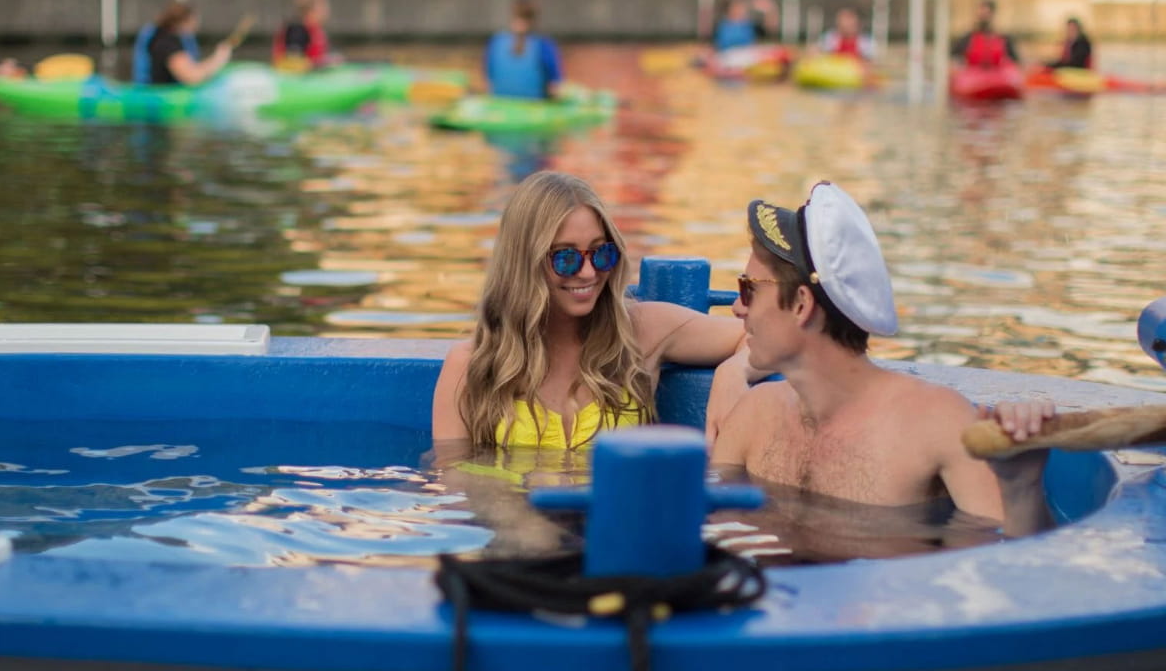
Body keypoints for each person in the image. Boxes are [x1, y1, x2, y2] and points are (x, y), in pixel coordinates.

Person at [708, 182, 1053, 537]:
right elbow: (713, 533)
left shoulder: (937, 423)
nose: (737, 307)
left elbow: (1006, 564)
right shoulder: (752, 416)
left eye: (748, 289)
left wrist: (1022, 488)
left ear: (801, 304)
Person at [431, 171, 758, 450]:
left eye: (601, 253)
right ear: (523, 263)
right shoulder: (471, 368)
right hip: (517, 522)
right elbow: (458, 489)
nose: (588, 273)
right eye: (565, 257)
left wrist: (733, 373)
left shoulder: (642, 331)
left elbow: (757, 335)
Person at [133, 0, 231, 87]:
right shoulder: (166, 43)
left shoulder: (162, 37)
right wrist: (219, 59)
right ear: (186, 21)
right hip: (158, 97)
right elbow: (192, 77)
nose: (196, 27)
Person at [483, 0, 563, 100]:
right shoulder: (543, 45)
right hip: (534, 104)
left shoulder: (496, 42)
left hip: (500, 102)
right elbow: (554, 88)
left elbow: (488, 82)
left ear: (512, 16)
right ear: (534, 20)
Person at [272, 0, 338, 70]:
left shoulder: (316, 30)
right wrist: (321, 63)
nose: (326, 11)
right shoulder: (297, 30)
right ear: (310, 11)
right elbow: (292, 60)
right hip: (294, 76)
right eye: (322, 8)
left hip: (310, 73)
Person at [951, 0, 1021, 68]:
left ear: (992, 15)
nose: (984, 16)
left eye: (986, 13)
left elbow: (1016, 60)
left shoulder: (1004, 39)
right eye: (981, 13)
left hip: (998, 76)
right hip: (973, 76)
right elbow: (954, 57)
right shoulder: (968, 38)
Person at [713, 0, 778, 53]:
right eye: (737, 7)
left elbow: (770, 28)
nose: (740, 10)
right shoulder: (721, 25)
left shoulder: (750, 25)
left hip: (747, 56)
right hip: (726, 56)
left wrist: (770, 9)